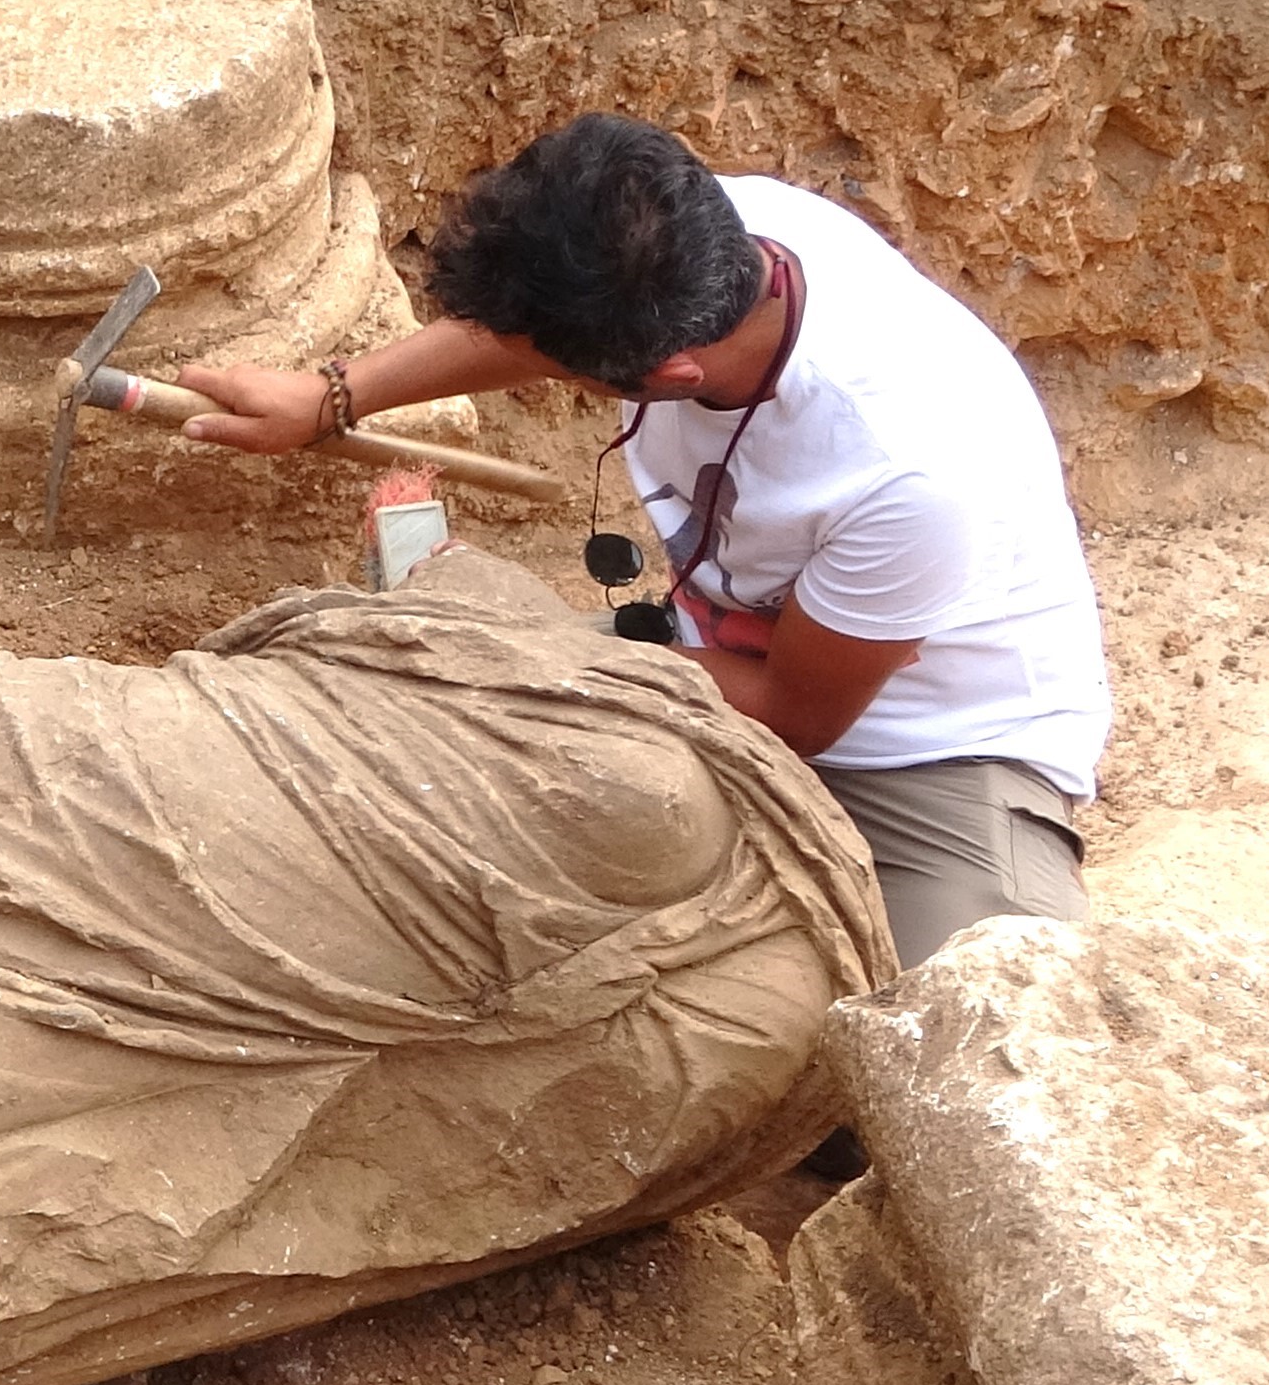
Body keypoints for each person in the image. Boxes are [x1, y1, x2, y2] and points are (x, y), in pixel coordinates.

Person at [175, 112, 1111, 969]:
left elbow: (794, 713)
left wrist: (533, 650)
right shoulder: (707, 235)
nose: (528, 367)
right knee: (396, 748)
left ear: (664, 373)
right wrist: (333, 396)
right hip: (714, 654)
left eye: (556, 371)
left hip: (930, 749)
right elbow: (525, 330)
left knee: (932, 1049)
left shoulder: (909, 468)